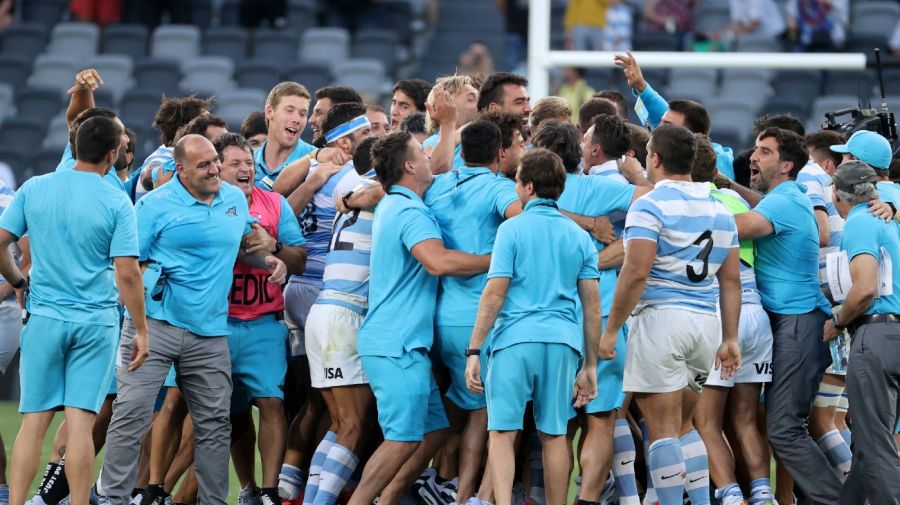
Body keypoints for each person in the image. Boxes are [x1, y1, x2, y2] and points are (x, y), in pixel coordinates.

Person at [98, 134, 287, 505]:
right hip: (156, 326)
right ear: (180, 170)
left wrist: (268, 260)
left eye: (215, 160)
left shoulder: (233, 199)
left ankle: (213, 502)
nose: (215, 169)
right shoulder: (154, 205)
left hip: (211, 332)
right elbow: (126, 265)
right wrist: (138, 326)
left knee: (215, 425)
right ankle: (111, 498)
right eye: (204, 165)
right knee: (131, 414)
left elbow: (241, 246)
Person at [0, 117, 149, 505]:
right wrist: (142, 329)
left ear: (74, 145)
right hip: (95, 323)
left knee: (33, 423)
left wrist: (18, 282)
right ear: (113, 154)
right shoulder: (116, 199)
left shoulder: (36, 187)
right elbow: (128, 274)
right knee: (81, 425)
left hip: (45, 318)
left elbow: (0, 243)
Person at [599, 124, 742, 505]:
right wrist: (730, 338)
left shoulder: (649, 204)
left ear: (656, 159)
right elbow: (731, 281)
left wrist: (611, 329)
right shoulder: (720, 208)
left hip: (661, 319)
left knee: (661, 429)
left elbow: (635, 272)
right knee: (684, 425)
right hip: (706, 324)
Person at [347, 131, 490, 505]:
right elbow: (438, 261)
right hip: (397, 344)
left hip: (403, 343)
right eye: (422, 155)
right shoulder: (409, 210)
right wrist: (498, 260)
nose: (431, 160)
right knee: (402, 438)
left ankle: (388, 499)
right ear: (410, 166)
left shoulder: (395, 204)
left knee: (436, 429)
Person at [463, 147, 601, 505]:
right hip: (562, 343)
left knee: (502, 432)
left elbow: (495, 293)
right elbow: (592, 306)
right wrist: (590, 365)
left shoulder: (511, 229)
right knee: (554, 435)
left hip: (514, 341)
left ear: (525, 186)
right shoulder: (580, 236)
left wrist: (474, 348)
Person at [532, 119, 649, 505]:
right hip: (600, 314)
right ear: (575, 152)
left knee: (558, 426)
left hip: (552, 317)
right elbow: (651, 199)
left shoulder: (529, 197)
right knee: (600, 420)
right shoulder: (602, 188)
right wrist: (636, 173)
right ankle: (588, 500)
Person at [732, 127, 839, 504]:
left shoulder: (784, 202)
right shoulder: (787, 197)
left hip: (798, 323)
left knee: (783, 430)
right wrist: (722, 184)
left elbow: (737, 226)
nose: (753, 158)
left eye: (764, 152)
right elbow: (756, 206)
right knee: (789, 427)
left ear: (787, 165)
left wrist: (684, 203)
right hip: (796, 322)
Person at [278, 103, 372, 504]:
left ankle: (290, 484)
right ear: (347, 141)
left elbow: (274, 192)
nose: (376, 141)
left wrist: (314, 161)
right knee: (346, 416)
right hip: (331, 295)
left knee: (322, 406)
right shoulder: (353, 178)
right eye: (369, 135)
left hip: (309, 296)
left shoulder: (318, 170)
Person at [424, 121, 522, 505]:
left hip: (440, 315)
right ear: (499, 154)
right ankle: (466, 497)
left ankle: (441, 481)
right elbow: (523, 218)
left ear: (463, 152)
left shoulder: (439, 184)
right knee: (487, 417)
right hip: (479, 320)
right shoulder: (499, 188)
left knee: (457, 406)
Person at [212, 133, 307, 505]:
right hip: (215, 324)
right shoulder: (208, 204)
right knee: (225, 414)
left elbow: (299, 258)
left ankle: (268, 492)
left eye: (249, 163)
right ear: (217, 168)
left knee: (271, 404)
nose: (245, 169)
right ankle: (245, 488)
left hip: (264, 323)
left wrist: (276, 247)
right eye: (235, 163)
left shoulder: (276, 203)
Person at [689, 135, 775, 505]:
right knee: (744, 420)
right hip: (758, 315)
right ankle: (762, 495)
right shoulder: (737, 198)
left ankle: (730, 494)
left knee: (704, 422)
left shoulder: (691, 204)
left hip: (724, 312)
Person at [301, 136, 379, 505]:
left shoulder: (351, 188)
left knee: (338, 425)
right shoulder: (383, 194)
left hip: (324, 310)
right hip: (344, 315)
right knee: (353, 426)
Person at [825, 160, 900, 505]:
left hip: (876, 334)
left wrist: (838, 321)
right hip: (894, 335)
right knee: (868, 447)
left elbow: (865, 287)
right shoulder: (890, 220)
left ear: (838, 194)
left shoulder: (858, 222)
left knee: (874, 444)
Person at [614, 52, 735, 181]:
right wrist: (640, 85)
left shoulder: (715, 165)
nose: (657, 130)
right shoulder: (676, 149)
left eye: (667, 125)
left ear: (690, 137)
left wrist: (637, 178)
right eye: (661, 122)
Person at [0, 177, 28, 505]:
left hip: (4, 308)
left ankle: (4, 493)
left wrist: (9, 287)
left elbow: (27, 255)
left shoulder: (8, 194)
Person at [255, 82, 316, 191]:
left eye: (302, 114)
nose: (296, 120)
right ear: (269, 112)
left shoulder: (318, 162)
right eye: (289, 111)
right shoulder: (247, 161)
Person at [423, 75, 480, 173]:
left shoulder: (488, 140)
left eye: (480, 98)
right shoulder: (431, 144)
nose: (481, 104)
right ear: (445, 106)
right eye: (471, 99)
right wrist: (454, 138)